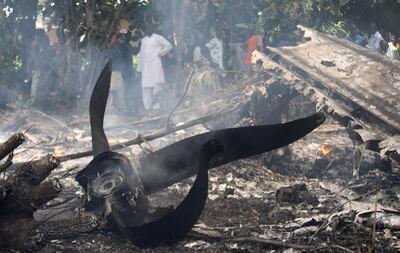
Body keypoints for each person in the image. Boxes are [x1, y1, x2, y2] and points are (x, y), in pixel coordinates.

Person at [138, 25, 172, 111]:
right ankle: (147, 109)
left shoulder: (158, 38)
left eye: (149, 28)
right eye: (145, 29)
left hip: (155, 66)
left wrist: (160, 53)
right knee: (146, 89)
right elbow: (141, 55)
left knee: (157, 87)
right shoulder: (143, 40)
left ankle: (157, 108)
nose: (147, 30)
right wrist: (139, 69)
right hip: (145, 68)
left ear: (152, 29)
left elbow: (169, 46)